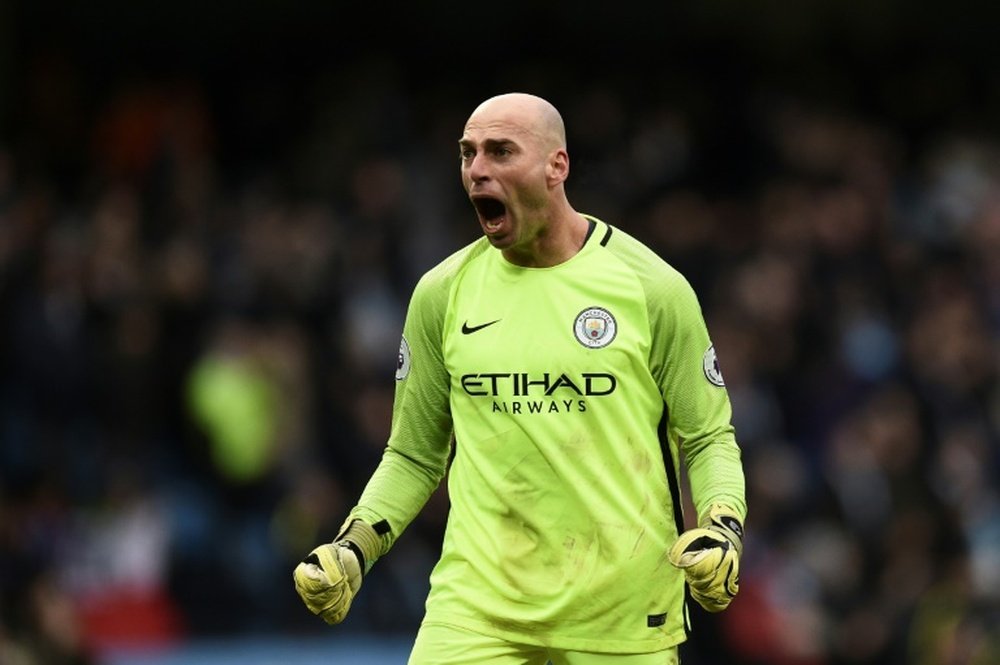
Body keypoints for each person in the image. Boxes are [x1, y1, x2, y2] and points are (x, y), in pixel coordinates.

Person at [294, 92, 747, 664]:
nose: (478, 169)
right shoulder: (441, 293)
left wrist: (722, 525)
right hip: (476, 614)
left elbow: (707, 437)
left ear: (557, 166)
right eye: (468, 154)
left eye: (500, 151)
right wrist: (353, 548)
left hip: (619, 618)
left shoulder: (651, 288)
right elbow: (413, 454)